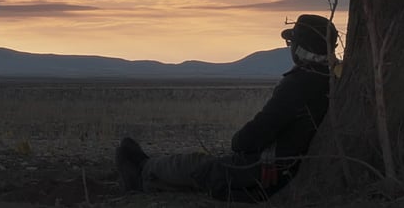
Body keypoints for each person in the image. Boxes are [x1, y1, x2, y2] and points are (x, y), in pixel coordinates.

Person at [114, 14, 338, 202]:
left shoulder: (299, 84)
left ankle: (143, 172)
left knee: (200, 167)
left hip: (267, 175)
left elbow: (254, 134)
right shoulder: (334, 79)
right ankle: (148, 169)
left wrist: (239, 143)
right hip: (283, 169)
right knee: (205, 167)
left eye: (291, 44)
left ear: (299, 49)